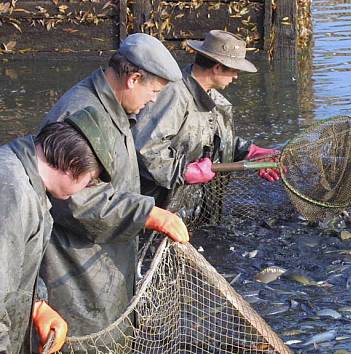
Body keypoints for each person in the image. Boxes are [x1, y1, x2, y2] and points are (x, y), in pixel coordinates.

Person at [37, 33, 190, 338]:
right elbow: (75, 199)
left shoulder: (114, 105)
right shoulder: (79, 113)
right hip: (76, 271)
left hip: (107, 256)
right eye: (154, 91)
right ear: (133, 78)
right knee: (92, 336)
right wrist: (150, 214)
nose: (154, 100)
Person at [0, 107, 114, 354]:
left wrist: (37, 304)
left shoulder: (29, 183)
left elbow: (15, 268)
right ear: (72, 165)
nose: (86, 188)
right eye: (90, 180)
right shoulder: (12, 191)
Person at [133, 30, 280, 209]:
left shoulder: (216, 101)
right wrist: (183, 172)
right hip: (162, 207)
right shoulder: (173, 95)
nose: (236, 76)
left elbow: (208, 142)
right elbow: (144, 149)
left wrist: (250, 152)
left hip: (196, 206)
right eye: (234, 70)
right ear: (217, 67)